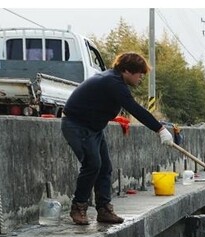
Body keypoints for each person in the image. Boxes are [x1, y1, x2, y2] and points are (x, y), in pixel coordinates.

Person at [62, 52, 174, 225]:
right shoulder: (113, 82)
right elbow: (134, 108)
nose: (141, 78)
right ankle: (78, 207)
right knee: (93, 165)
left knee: (105, 167)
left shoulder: (115, 81)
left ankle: (104, 209)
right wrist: (160, 129)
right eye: (139, 74)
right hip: (77, 126)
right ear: (127, 71)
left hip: (93, 128)